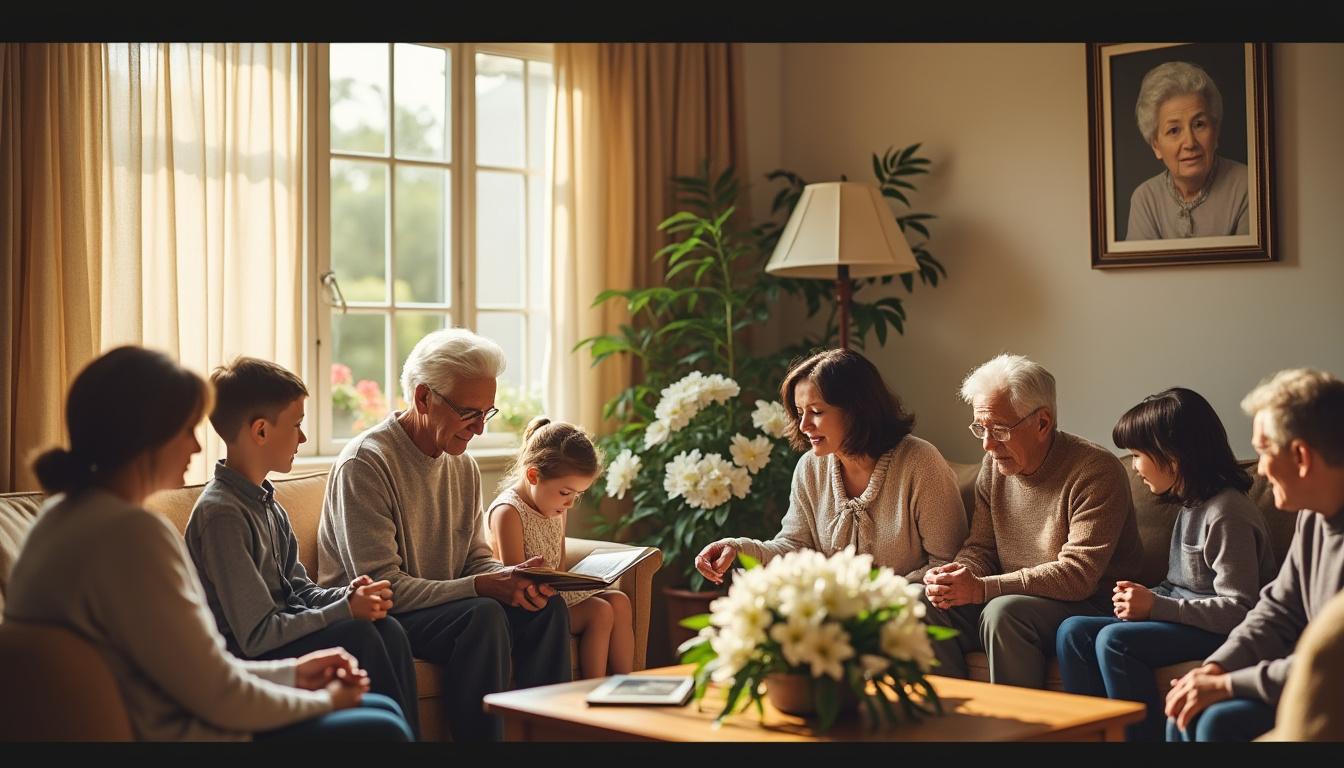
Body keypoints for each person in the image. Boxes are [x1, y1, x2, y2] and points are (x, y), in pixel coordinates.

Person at [3, 346, 411, 741]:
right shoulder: (133, 533)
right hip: (185, 730)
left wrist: (293, 674)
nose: (197, 447)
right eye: (186, 430)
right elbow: (218, 691)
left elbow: (195, 670)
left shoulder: (60, 519)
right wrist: (324, 701)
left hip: (189, 710)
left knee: (383, 710)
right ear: (146, 436)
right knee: (384, 725)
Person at [318, 327, 571, 742]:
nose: (479, 430)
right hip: (383, 616)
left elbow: (475, 559)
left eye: (486, 414)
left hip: (448, 607)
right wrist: (482, 586)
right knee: (483, 614)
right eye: (470, 413)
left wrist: (515, 578)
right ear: (423, 398)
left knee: (545, 610)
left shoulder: (462, 465)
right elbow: (384, 586)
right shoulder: (366, 464)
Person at [184, 356, 420, 739]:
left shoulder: (267, 503)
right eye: (296, 425)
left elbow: (301, 592)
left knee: (387, 628)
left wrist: (349, 595)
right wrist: (344, 611)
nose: (303, 437)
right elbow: (256, 636)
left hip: (280, 638)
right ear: (260, 431)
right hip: (251, 658)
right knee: (358, 634)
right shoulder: (222, 515)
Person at [1055, 387, 1276, 741]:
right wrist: (1143, 597)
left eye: (1139, 455)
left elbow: (1240, 608)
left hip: (1219, 629)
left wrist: (1157, 606)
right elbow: (1180, 586)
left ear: (1174, 457)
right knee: (1073, 631)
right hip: (1188, 617)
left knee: (1115, 641)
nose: (1136, 467)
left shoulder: (1227, 513)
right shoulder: (1191, 504)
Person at [922, 353, 1143, 689]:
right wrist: (956, 575)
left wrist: (984, 588)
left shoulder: (1095, 471)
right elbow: (981, 547)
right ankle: (958, 724)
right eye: (980, 428)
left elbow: (1077, 575)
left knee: (1004, 613)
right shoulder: (994, 466)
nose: (988, 444)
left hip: (1089, 606)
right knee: (923, 602)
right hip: (1018, 598)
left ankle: (1020, 731)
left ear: (1042, 422)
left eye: (999, 429)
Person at [1165, 368, 1344, 742]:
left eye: (1264, 451)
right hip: (1308, 681)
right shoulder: (1313, 516)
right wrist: (1216, 667)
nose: (1259, 469)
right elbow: (1277, 609)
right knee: (1187, 708)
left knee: (1217, 721)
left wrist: (1232, 684)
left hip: (1329, 690)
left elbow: (1330, 668)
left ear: (1300, 456)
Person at [693, 348, 967, 586]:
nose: (804, 426)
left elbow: (947, 564)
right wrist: (737, 549)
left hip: (916, 611)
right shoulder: (810, 468)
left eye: (817, 412)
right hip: (839, 618)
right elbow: (795, 547)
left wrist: (878, 602)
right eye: (800, 413)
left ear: (857, 410)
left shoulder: (920, 462)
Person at [486, 417, 633, 680]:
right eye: (566, 493)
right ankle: (593, 691)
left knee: (619, 601)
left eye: (577, 495)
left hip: (553, 596)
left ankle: (628, 686)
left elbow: (560, 565)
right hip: (526, 608)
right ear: (533, 475)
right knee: (600, 611)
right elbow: (516, 584)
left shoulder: (555, 509)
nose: (570, 504)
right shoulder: (508, 512)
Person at [1125, 60, 1250, 241]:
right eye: (1174, 130)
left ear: (1215, 132)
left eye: (1199, 125)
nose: (1190, 143)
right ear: (1156, 146)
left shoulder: (1249, 186)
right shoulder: (1145, 199)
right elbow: (1140, 270)